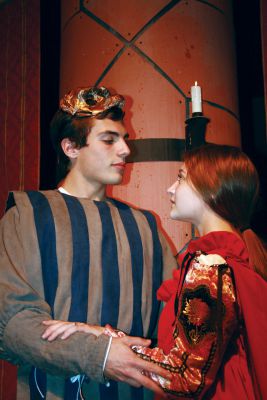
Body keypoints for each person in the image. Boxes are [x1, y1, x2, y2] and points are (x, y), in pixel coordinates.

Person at [44, 144, 267, 399]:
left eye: (181, 177)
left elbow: (183, 377)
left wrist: (103, 349)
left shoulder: (210, 267)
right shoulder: (231, 263)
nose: (170, 188)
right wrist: (100, 334)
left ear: (212, 187)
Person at [0, 86, 177, 400]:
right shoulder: (26, 215)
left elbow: (174, 323)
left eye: (123, 139)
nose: (125, 150)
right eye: (109, 140)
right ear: (70, 147)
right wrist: (100, 354)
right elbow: (13, 321)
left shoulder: (146, 226)